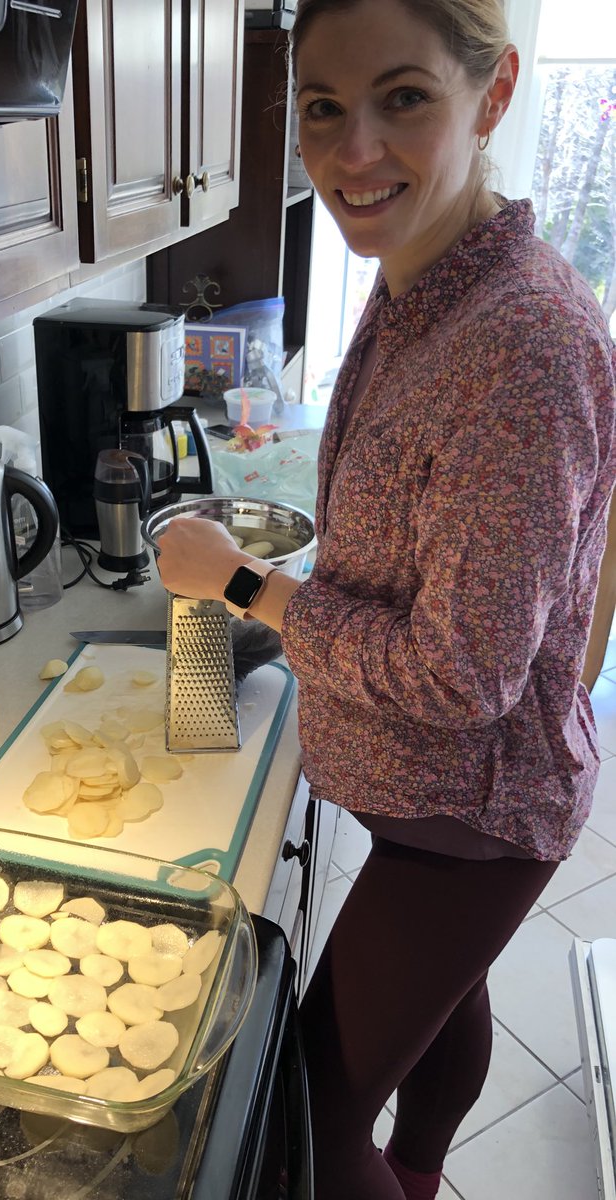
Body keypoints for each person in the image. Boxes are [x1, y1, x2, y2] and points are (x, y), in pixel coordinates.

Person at [155, 1, 616, 1197]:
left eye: (404, 98)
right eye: (323, 108)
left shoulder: (522, 344)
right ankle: (420, 1172)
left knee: (312, 1104)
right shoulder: (428, 280)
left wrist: (244, 584)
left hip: (477, 811)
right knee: (442, 1000)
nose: (353, 150)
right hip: (431, 800)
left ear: (495, 92)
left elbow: (461, 678)